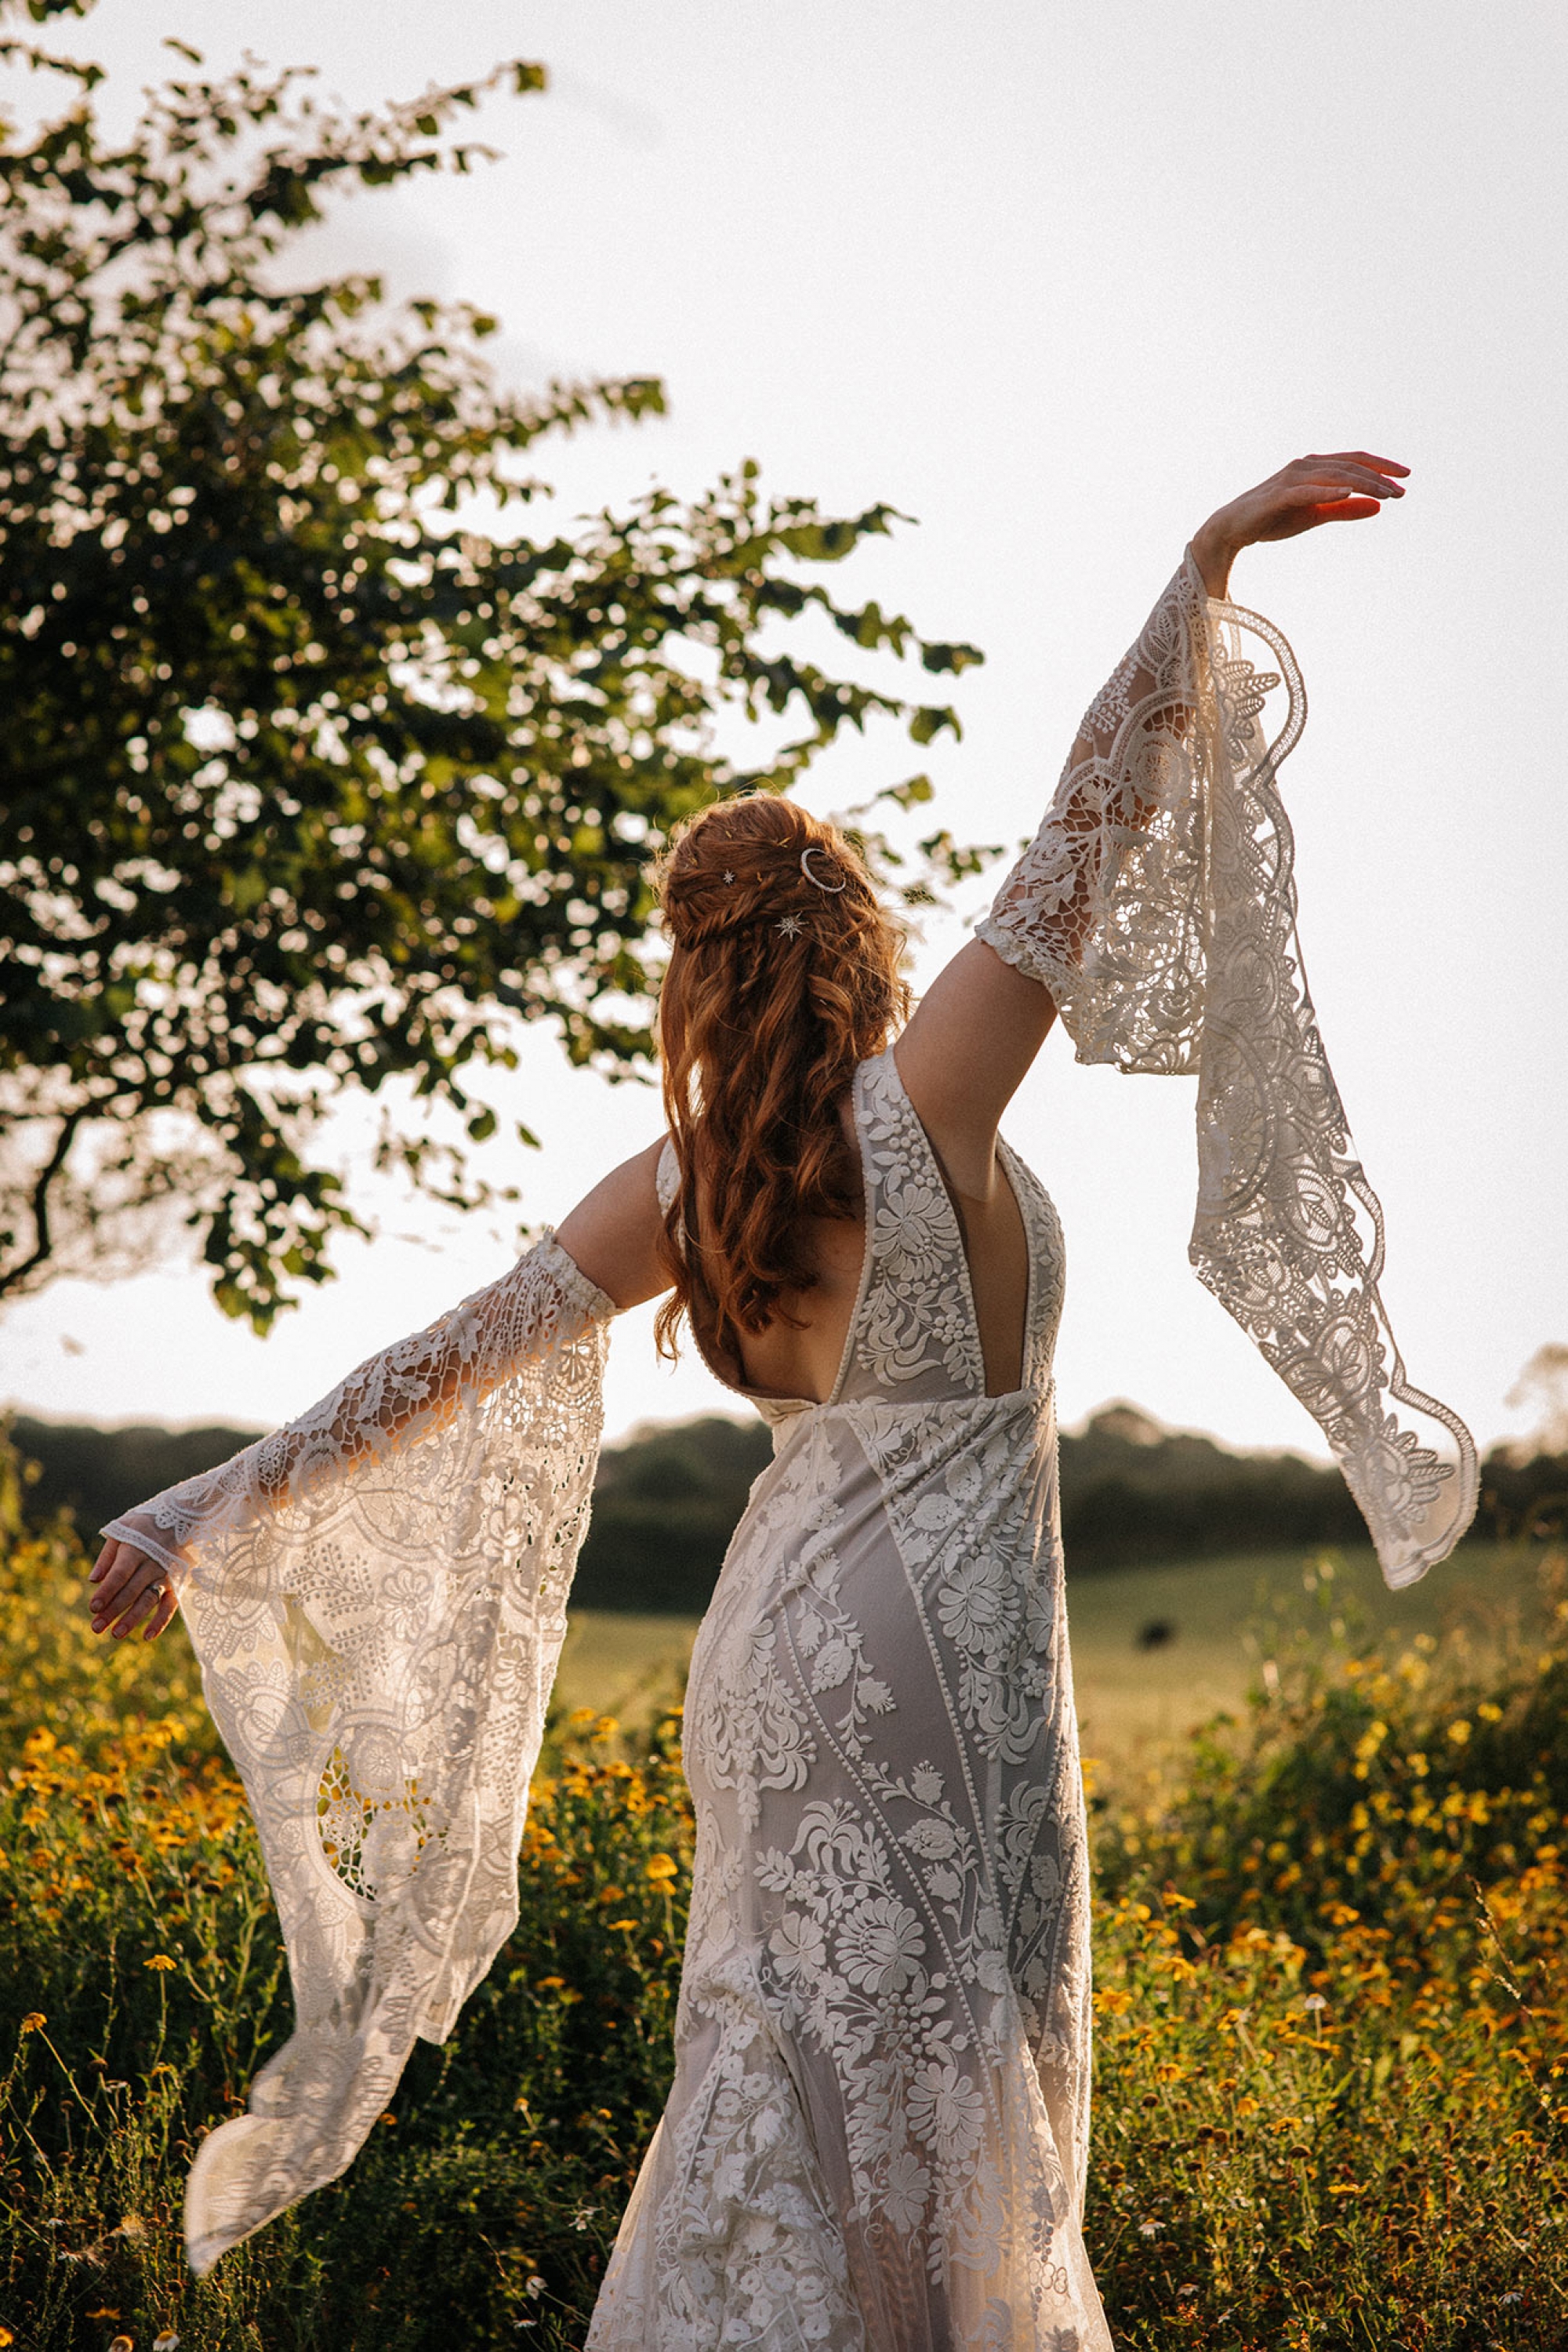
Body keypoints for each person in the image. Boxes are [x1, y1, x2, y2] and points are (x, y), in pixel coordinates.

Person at [90, 454, 1477, 2345]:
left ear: (689, 971)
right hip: (953, 1646)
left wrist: (201, 1510)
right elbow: (1083, 825)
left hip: (777, 1646)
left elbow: (428, 1366)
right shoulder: (931, 1104)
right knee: (951, 2061)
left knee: (775, 2057)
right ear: (856, 937)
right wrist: (1196, 570)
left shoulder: (685, 1183)